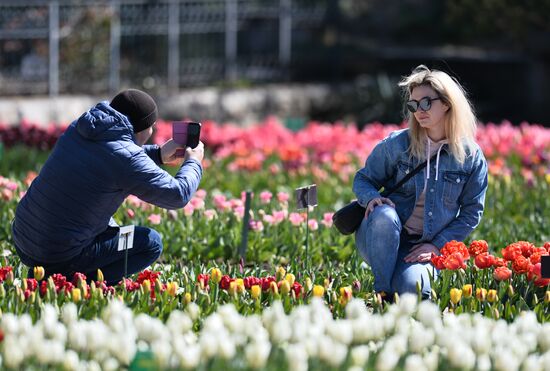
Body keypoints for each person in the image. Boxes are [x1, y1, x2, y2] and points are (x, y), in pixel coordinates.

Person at [12, 89, 204, 285]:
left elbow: (111, 157)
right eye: (152, 126)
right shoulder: (127, 159)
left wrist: (158, 154)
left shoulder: (80, 128)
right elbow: (178, 195)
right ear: (143, 129)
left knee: (110, 225)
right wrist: (194, 162)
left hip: (24, 239)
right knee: (150, 242)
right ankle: (72, 282)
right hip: (59, 253)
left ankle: (52, 274)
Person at [353, 65, 488, 301]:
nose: (419, 111)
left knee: (412, 289)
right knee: (385, 215)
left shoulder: (470, 157)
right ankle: (382, 294)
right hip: (380, 234)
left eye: (426, 103)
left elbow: (471, 212)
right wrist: (372, 198)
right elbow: (363, 179)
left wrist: (437, 246)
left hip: (423, 245)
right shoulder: (398, 144)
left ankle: (395, 283)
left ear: (447, 103)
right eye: (413, 105)